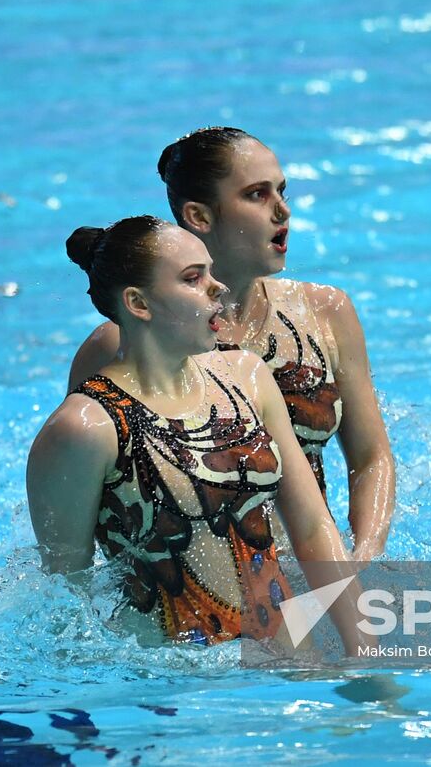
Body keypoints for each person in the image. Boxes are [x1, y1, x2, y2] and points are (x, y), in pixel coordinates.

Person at [30, 216, 362, 648]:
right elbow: (66, 592)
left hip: (290, 661)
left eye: (210, 271)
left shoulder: (247, 377)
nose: (217, 287)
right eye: (193, 278)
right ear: (138, 303)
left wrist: (365, 648)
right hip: (170, 688)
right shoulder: (85, 427)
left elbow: (314, 527)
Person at [68, 128, 394, 560]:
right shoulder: (117, 347)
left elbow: (372, 457)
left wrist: (363, 558)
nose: (283, 210)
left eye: (282, 191)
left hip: (314, 570)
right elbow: (84, 517)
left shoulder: (325, 313)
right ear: (200, 217)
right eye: (257, 195)